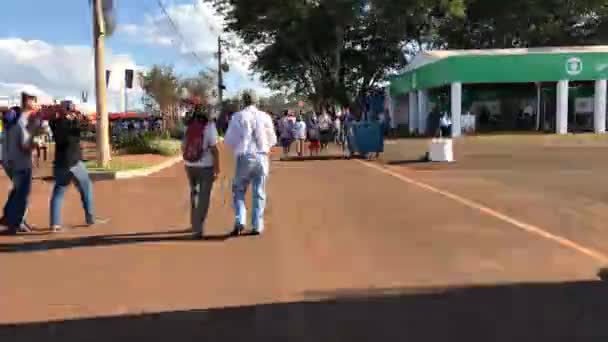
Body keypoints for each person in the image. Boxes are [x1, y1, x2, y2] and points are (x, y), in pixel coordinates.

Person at [224, 91, 276, 236]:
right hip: (261, 156)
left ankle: (240, 219)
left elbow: (229, 140)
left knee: (239, 190)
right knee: (259, 191)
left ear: (243, 101)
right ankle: (257, 225)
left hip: (245, 156)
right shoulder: (265, 116)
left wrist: (239, 146)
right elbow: (272, 139)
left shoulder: (237, 116)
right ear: (256, 101)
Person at [48, 105, 105, 232]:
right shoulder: (71, 125)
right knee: (86, 188)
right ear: (66, 113)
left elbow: (78, 125)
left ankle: (54, 224)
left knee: (58, 192)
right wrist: (85, 119)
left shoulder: (54, 124)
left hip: (60, 163)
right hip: (74, 162)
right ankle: (90, 219)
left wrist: (74, 117)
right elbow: (87, 127)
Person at [1, 94, 39, 235]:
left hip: (10, 161)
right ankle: (17, 223)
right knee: (22, 194)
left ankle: (8, 217)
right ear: (29, 102)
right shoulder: (22, 122)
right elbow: (24, 144)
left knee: (16, 192)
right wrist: (35, 145)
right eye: (35, 101)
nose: (37, 104)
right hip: (21, 163)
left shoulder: (11, 122)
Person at [182, 105, 220, 240]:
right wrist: (217, 168)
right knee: (204, 197)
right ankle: (198, 228)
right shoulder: (209, 126)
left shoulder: (188, 125)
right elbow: (214, 149)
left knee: (194, 193)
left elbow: (183, 145)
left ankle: (194, 223)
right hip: (205, 166)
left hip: (190, 165)